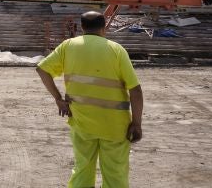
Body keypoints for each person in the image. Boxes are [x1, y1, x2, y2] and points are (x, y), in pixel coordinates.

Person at [36, 11, 144, 188]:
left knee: (82, 169)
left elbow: (42, 70)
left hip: (82, 124)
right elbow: (136, 90)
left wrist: (58, 99)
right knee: (115, 174)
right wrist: (137, 123)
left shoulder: (68, 46)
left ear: (82, 27)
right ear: (104, 28)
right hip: (115, 127)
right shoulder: (116, 49)